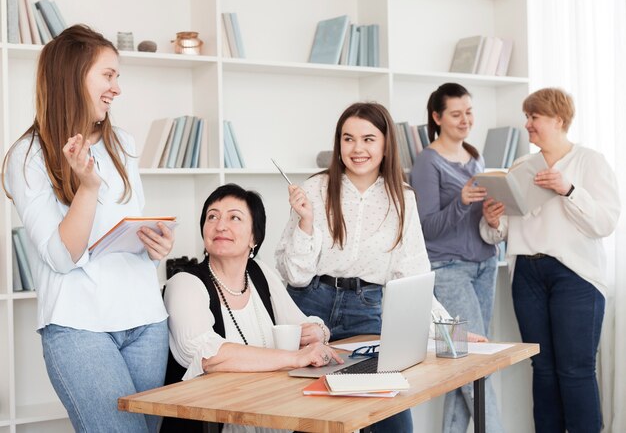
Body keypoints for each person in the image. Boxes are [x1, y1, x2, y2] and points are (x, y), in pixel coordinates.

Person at [1, 25, 175, 432]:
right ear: (74, 76)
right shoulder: (28, 157)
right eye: (108, 75)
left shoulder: (124, 144)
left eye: (118, 76)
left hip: (146, 320)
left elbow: (129, 229)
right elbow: (63, 257)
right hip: (80, 328)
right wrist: (89, 187)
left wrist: (155, 245)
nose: (117, 88)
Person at [275, 101, 450, 433]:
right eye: (348, 138)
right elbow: (294, 274)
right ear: (338, 144)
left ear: (385, 145)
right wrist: (306, 222)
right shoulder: (314, 189)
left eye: (368, 139)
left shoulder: (403, 198)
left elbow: (412, 272)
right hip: (310, 307)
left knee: (392, 421)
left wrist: (445, 326)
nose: (357, 149)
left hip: (368, 310)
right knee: (314, 418)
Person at [480, 88, 620, 433]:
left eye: (534, 117)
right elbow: (498, 233)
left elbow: (605, 223)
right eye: (526, 117)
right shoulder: (521, 166)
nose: (527, 124)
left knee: (575, 370)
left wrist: (568, 190)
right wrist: (494, 220)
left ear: (558, 120)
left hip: (575, 276)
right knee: (541, 369)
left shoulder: (589, 162)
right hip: (527, 272)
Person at [163, 183, 341, 433]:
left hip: (273, 415)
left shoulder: (260, 274)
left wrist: (320, 333)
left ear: (254, 237)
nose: (220, 225)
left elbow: (304, 324)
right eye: (212, 216)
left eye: (234, 217)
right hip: (216, 424)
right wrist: (295, 357)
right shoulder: (184, 284)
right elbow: (209, 356)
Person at [410, 83, 504, 433]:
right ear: (437, 117)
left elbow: (476, 223)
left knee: (463, 366)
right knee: (475, 366)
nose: (465, 120)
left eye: (469, 112)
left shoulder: (475, 156)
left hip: (485, 264)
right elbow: (427, 229)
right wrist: (461, 202)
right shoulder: (427, 161)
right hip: (449, 270)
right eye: (456, 114)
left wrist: (490, 215)